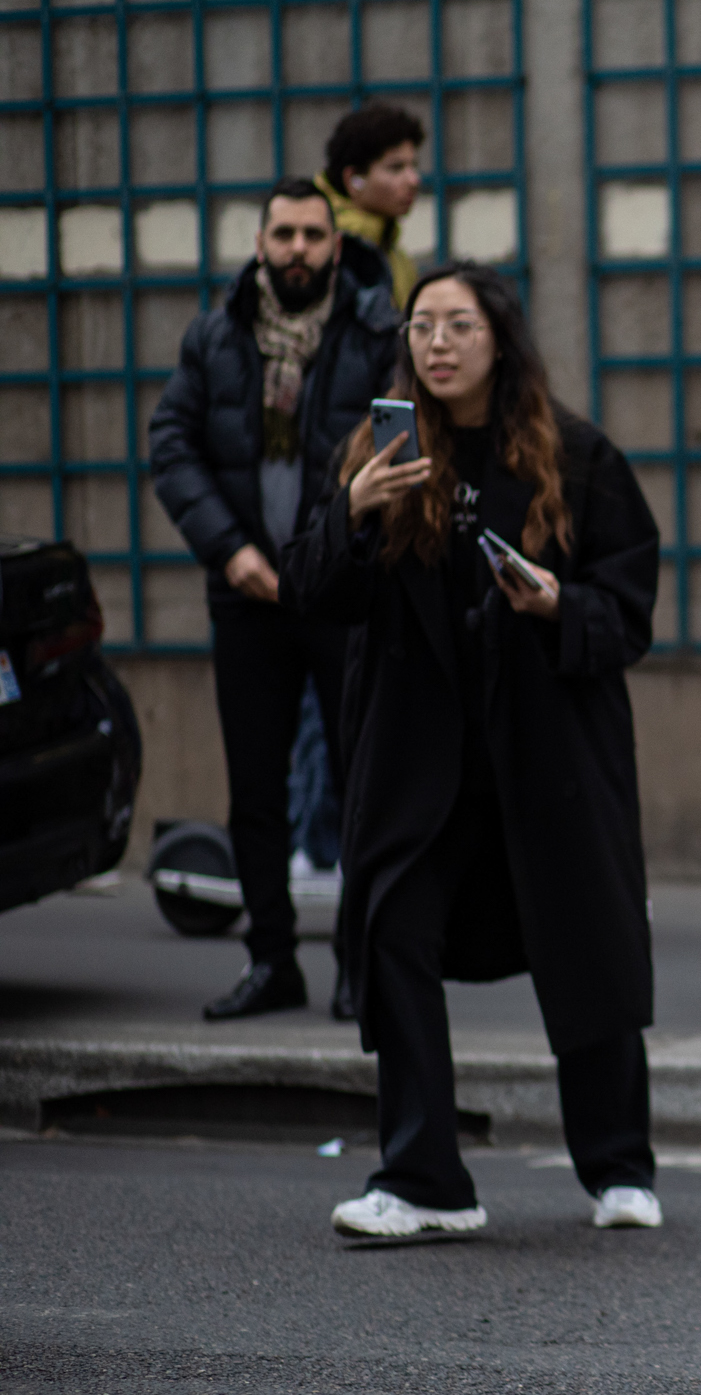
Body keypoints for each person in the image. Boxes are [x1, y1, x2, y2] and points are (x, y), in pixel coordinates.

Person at [291, 263, 665, 1239]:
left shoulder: (574, 457)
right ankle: (424, 1180)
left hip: (545, 749)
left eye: (459, 325)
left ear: (500, 339)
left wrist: (556, 604)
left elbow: (628, 614)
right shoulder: (376, 454)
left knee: (584, 940)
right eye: (422, 326)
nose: (437, 343)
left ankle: (619, 1164)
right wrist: (354, 515)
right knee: (395, 932)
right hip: (420, 751)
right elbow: (313, 595)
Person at [149, 179, 399, 1021]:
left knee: (362, 781)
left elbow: (399, 451)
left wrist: (340, 547)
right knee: (255, 789)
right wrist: (231, 551)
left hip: (344, 593)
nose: (297, 249)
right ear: (261, 244)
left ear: (336, 245)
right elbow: (172, 444)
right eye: (283, 234)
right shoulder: (216, 336)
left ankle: (359, 967)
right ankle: (271, 961)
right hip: (248, 592)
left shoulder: (376, 332)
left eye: (312, 236)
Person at [317, 103, 427, 309]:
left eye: (414, 166)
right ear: (353, 180)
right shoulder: (331, 250)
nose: (414, 180)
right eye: (396, 168)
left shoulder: (390, 248)